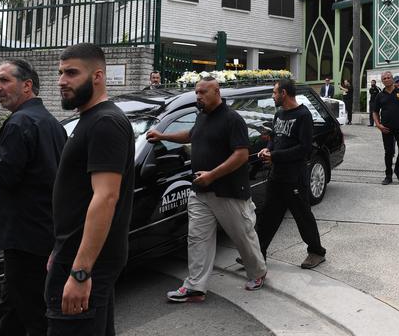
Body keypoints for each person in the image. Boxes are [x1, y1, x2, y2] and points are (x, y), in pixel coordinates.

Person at [0, 59, 66, 336]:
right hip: (42, 233)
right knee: (13, 306)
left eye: (4, 80)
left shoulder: (20, 123)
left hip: (25, 238)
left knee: (33, 314)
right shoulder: (50, 122)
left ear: (27, 86)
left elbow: (4, 176)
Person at [147, 76, 267, 302]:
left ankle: (258, 272)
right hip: (200, 191)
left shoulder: (233, 119)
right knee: (197, 239)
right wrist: (163, 136)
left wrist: (212, 175)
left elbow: (241, 154)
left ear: (216, 91)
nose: (198, 96)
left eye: (203, 92)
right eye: (197, 92)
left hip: (228, 191)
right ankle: (195, 287)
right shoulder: (202, 115)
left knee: (243, 236)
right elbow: (192, 135)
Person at [47, 43, 135, 335]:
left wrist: (80, 271)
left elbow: (106, 197)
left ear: (98, 76)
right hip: (72, 254)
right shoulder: (91, 120)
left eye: (71, 73)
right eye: (61, 73)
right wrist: (60, 250)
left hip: (86, 264)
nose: (62, 81)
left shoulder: (105, 123)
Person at [254, 79, 326, 269]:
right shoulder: (279, 115)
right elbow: (274, 139)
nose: (273, 95)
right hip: (277, 176)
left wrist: (275, 156)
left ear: (284, 93)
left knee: (302, 216)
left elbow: (304, 149)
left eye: (274, 92)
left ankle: (316, 252)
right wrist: (268, 150)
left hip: (294, 178)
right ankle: (257, 254)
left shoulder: (303, 115)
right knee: (268, 216)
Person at [372, 71, 399, 185]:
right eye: (384, 78)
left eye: (389, 77)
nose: (387, 79)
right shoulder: (380, 95)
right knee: (389, 152)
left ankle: (397, 170)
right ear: (382, 81)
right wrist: (378, 125)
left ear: (392, 79)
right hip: (386, 129)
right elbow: (374, 112)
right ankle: (388, 175)